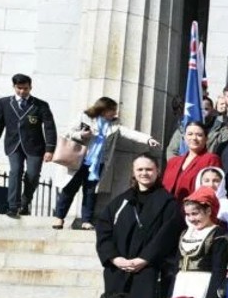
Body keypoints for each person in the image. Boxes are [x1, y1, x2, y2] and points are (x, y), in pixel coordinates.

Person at [95, 155, 184, 298]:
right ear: (134, 172)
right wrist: (114, 258)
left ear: (157, 171)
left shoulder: (168, 203)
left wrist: (144, 259)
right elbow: (104, 232)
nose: (144, 173)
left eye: (149, 169)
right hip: (120, 269)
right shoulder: (120, 202)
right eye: (140, 170)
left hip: (150, 270)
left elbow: (166, 235)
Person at [53, 96, 159, 229]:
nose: (115, 113)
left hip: (97, 164)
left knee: (90, 192)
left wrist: (148, 139)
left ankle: (86, 220)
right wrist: (82, 135)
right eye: (112, 110)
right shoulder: (84, 118)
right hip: (80, 160)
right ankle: (59, 218)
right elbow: (68, 132)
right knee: (69, 189)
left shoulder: (114, 125)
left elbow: (130, 133)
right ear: (103, 110)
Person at [0, 73, 57, 217]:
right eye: (19, 88)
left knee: (33, 175)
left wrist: (50, 149)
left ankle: (25, 202)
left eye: (25, 89)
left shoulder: (40, 105)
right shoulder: (4, 103)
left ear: (30, 87)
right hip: (13, 145)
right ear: (14, 87)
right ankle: (13, 206)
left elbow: (49, 128)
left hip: (35, 146)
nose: (22, 92)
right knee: (15, 171)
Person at [163, 121, 223, 202]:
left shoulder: (211, 159)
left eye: (199, 135)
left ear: (206, 139)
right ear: (184, 137)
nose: (194, 138)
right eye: (190, 134)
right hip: (170, 209)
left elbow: (214, 189)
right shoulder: (173, 162)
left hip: (195, 209)